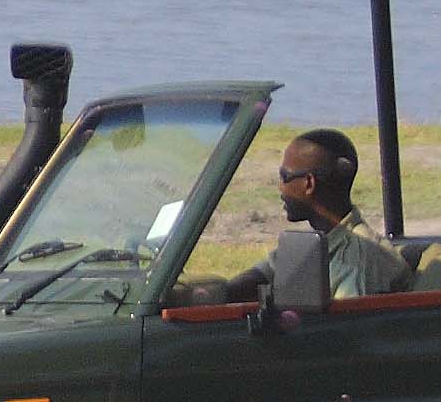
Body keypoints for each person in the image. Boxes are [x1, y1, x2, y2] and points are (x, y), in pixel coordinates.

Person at [174, 126, 411, 311]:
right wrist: (200, 297)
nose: (280, 187)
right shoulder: (316, 246)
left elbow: (348, 336)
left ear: (308, 184)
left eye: (285, 176)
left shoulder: (356, 262)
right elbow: (262, 275)